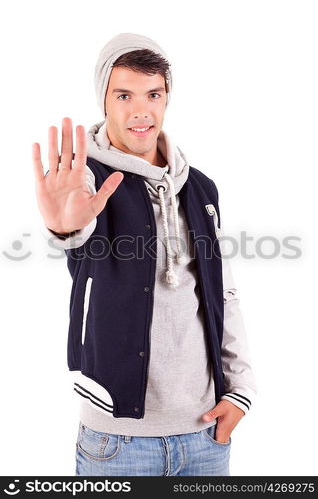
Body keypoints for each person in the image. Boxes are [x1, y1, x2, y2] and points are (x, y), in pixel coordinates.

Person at [32, 32, 257, 476]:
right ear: (104, 101)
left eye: (153, 94)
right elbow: (76, 235)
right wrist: (65, 224)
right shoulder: (84, 179)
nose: (141, 110)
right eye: (124, 95)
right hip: (117, 440)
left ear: (167, 98)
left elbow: (222, 294)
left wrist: (240, 389)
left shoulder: (200, 187)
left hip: (205, 434)